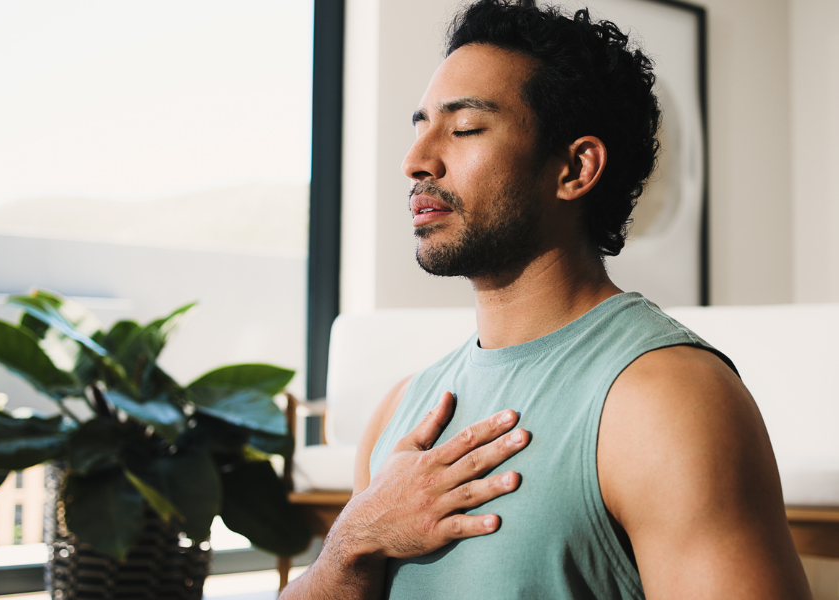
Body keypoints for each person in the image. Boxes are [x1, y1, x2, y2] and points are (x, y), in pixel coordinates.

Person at [281, 0, 812, 597]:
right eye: (419, 127)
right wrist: (353, 541)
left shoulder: (668, 401)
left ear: (575, 168)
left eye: (464, 129)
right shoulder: (399, 411)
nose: (416, 161)